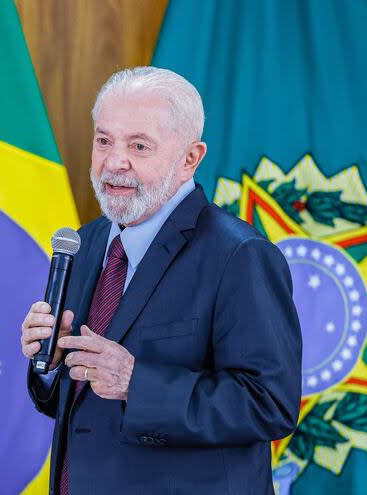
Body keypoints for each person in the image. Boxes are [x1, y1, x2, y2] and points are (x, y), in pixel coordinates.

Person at [20, 66, 301, 495]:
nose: (114, 162)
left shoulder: (240, 255)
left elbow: (270, 404)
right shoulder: (87, 241)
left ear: (190, 159)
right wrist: (52, 365)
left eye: (139, 145)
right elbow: (82, 409)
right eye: (103, 140)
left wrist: (136, 383)